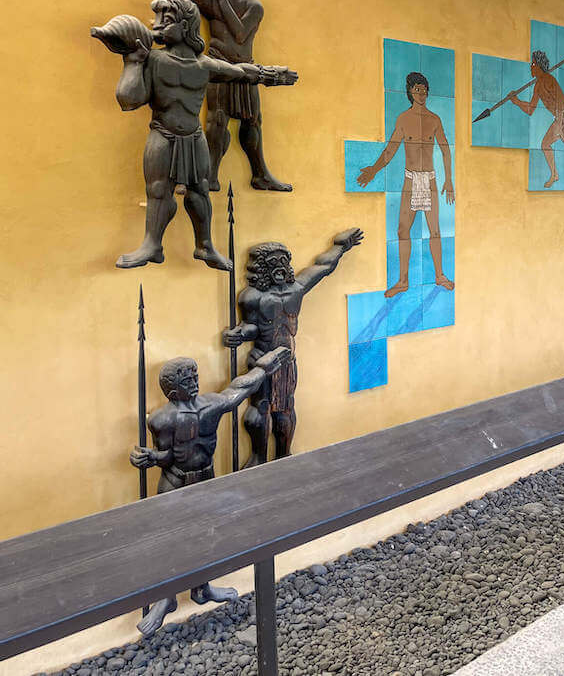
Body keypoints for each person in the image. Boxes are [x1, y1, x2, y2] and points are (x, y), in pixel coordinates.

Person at [103, 0, 296, 270]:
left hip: (194, 138)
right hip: (163, 134)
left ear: (185, 26)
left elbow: (238, 72)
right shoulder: (153, 60)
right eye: (156, 20)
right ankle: (152, 245)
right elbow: (128, 100)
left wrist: (271, 75)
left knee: (200, 191)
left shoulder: (203, 65)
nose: (156, 26)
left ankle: (205, 246)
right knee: (158, 191)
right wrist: (133, 61)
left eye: (165, 21)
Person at [129, 346, 292, 635]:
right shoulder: (160, 420)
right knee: (171, 540)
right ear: (171, 390)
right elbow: (168, 456)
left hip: (206, 478)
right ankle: (166, 598)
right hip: (175, 482)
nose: (193, 382)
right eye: (185, 380)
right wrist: (150, 459)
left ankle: (201, 588)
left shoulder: (212, 405)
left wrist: (266, 366)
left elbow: (241, 387)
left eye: (194, 376)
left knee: (206, 536)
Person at [223, 229, 364, 468]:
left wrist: (341, 247)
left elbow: (322, 267)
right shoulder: (252, 297)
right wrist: (238, 334)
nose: (279, 267)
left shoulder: (296, 289)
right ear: (260, 267)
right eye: (272, 263)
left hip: (288, 359)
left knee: (286, 407)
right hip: (262, 358)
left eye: (283, 261)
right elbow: (253, 328)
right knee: (261, 409)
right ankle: (258, 456)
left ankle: (283, 453)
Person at [173, 0, 294, 192]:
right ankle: (208, 175)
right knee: (217, 120)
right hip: (219, 67)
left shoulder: (252, 5)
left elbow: (239, 34)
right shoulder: (214, 3)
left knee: (253, 122)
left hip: (246, 69)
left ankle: (260, 173)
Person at [358, 72, 455, 297]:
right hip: (410, 179)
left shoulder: (435, 119)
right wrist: (373, 170)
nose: (421, 93)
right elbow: (390, 150)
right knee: (403, 230)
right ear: (410, 92)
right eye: (417, 89)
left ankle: (440, 276)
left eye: (424, 89)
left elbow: (446, 149)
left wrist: (449, 180)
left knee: (435, 231)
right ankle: (403, 280)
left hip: (429, 179)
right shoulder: (403, 119)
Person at [506, 50, 564, 188]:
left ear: (539, 65)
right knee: (545, 144)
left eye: (533, 63)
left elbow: (562, 102)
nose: (530, 66)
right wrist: (517, 101)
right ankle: (555, 174)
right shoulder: (538, 86)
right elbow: (531, 110)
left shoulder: (549, 80)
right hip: (560, 118)